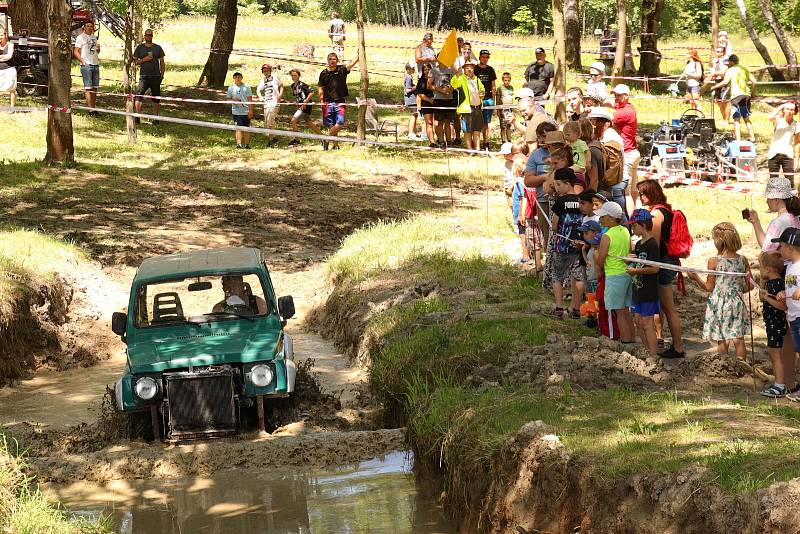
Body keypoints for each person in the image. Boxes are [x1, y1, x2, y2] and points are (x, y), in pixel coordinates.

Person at [687, 222, 752, 360]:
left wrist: (695, 278)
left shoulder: (714, 261)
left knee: (722, 339)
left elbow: (709, 287)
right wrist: (736, 292)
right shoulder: (742, 260)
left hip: (720, 304)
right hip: (737, 303)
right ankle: (743, 366)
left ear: (719, 242)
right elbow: (750, 285)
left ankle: (725, 365)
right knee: (739, 339)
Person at [635, 179, 685, 358]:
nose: (639, 197)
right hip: (670, 260)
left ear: (650, 193)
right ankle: (662, 338)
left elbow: (652, 243)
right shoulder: (666, 209)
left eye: (641, 193)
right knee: (664, 307)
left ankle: (677, 347)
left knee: (668, 307)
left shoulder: (656, 214)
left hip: (663, 262)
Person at [595, 201, 635, 343]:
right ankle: (631, 339)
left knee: (619, 313)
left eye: (603, 217)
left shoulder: (607, 235)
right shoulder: (625, 230)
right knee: (625, 310)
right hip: (626, 273)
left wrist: (598, 261)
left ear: (611, 218)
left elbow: (601, 259)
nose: (601, 219)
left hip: (613, 275)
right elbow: (631, 250)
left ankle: (625, 341)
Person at [550, 167, 585, 318]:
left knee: (557, 275)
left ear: (566, 184)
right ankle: (576, 309)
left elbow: (554, 224)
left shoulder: (560, 201)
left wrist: (556, 230)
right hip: (579, 244)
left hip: (562, 244)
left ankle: (559, 307)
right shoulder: (581, 201)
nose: (556, 188)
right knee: (578, 275)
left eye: (558, 185)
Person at [626, 209, 661, 356]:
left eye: (634, 226)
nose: (632, 229)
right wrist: (631, 258)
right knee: (638, 322)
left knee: (647, 324)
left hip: (648, 291)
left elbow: (654, 268)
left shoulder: (652, 244)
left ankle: (653, 355)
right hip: (638, 289)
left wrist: (636, 271)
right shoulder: (640, 244)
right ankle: (648, 351)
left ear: (643, 225)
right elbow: (641, 260)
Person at [758, 251, 791, 397]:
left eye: (761, 267)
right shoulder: (770, 283)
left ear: (768, 269)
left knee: (774, 353)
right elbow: (761, 298)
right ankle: (779, 383)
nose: (759, 270)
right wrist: (762, 283)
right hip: (771, 323)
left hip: (776, 324)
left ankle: (780, 385)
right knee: (773, 353)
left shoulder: (778, 284)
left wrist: (768, 298)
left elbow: (783, 306)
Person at [776, 227, 800, 402]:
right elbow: (792, 286)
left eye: (781, 246)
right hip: (793, 316)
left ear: (789, 247)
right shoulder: (790, 266)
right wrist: (784, 292)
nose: (779, 250)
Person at [709, 54, 756, 142]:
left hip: (736, 96)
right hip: (746, 95)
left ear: (731, 62)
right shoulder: (744, 69)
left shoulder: (730, 70)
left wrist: (714, 87)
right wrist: (753, 93)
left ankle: (738, 140)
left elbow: (725, 82)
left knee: (736, 119)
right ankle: (752, 138)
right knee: (746, 117)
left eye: (729, 62)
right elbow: (754, 82)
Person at [318, 52, 359, 150]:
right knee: (331, 125)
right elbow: (320, 87)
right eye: (330, 59)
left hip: (339, 101)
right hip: (327, 102)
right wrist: (321, 100)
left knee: (340, 122)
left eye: (334, 59)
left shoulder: (342, 69)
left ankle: (326, 139)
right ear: (327, 61)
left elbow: (353, 63)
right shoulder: (323, 73)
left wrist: (359, 53)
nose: (332, 61)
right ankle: (335, 145)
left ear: (337, 60)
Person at [588, 106, 625, 212]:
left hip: (614, 182)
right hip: (614, 181)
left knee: (617, 214)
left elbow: (611, 162)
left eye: (596, 122)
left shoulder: (609, 137)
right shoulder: (605, 136)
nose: (593, 125)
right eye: (592, 121)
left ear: (607, 123)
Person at [610, 84, 638, 215]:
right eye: (614, 95)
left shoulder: (626, 112)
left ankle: (631, 221)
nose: (615, 98)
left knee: (625, 192)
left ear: (626, 96)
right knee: (633, 190)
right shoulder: (628, 108)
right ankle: (638, 217)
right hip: (632, 152)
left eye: (619, 95)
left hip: (626, 154)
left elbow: (610, 117)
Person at [132, 28, 165, 124]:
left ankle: (155, 118)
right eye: (147, 35)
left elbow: (162, 62)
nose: (148, 37)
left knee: (156, 98)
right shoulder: (140, 48)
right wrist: (145, 59)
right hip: (144, 76)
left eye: (150, 35)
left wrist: (162, 74)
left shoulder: (158, 48)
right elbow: (135, 62)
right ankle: (137, 117)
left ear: (152, 36)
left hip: (155, 76)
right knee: (139, 96)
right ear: (144, 36)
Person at [450, 61, 485, 151]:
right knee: (467, 130)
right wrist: (457, 74)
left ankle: (477, 149)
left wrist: (482, 93)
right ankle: (469, 149)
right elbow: (453, 84)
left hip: (477, 107)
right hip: (466, 109)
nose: (469, 70)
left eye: (471, 68)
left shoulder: (476, 79)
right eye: (467, 68)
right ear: (464, 69)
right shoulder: (461, 78)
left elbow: (482, 89)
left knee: (477, 130)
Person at [766, 102, 800, 185]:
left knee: (790, 180)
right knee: (773, 180)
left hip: (788, 154)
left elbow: (797, 143)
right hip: (774, 153)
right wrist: (781, 106)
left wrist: (796, 159)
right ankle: (774, 197)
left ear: (795, 112)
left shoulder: (797, 125)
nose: (789, 111)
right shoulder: (778, 120)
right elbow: (770, 117)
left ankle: (790, 197)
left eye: (791, 109)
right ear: (783, 110)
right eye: (787, 108)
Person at [288, 69, 322, 146]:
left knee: (293, 120)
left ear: (299, 76)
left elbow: (312, 92)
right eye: (292, 75)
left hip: (306, 106)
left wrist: (305, 102)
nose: (293, 77)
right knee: (308, 122)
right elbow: (297, 96)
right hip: (300, 106)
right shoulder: (293, 86)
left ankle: (297, 139)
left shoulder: (303, 85)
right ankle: (322, 136)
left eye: (295, 75)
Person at [74, 20, 101, 117]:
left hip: (95, 64)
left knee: (95, 88)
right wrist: (82, 61)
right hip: (87, 65)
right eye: (88, 26)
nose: (90, 27)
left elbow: (97, 51)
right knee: (88, 88)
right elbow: (76, 51)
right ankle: (90, 111)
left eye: (91, 26)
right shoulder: (80, 37)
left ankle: (93, 108)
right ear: (84, 27)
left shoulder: (94, 37)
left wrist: (98, 49)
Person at [429, 60, 455, 146]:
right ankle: (441, 141)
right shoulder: (433, 70)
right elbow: (429, 85)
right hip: (439, 99)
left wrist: (451, 89)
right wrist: (440, 90)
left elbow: (455, 83)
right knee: (439, 122)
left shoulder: (451, 70)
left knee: (448, 121)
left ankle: (449, 141)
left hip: (449, 99)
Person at [474, 50, 497, 149]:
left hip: (488, 98)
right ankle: (476, 142)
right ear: (479, 57)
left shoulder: (491, 69)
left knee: (486, 122)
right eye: (483, 57)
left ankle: (486, 142)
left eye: (487, 57)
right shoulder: (475, 69)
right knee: (476, 122)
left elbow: (493, 86)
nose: (485, 59)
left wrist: (494, 101)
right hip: (476, 99)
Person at [257, 63, 283, 147]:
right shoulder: (262, 80)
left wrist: (280, 96)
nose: (266, 72)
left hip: (274, 102)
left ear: (270, 71)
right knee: (267, 122)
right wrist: (260, 97)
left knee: (271, 120)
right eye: (264, 71)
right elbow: (258, 90)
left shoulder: (275, 77)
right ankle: (273, 138)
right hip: (266, 103)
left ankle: (272, 140)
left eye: (267, 70)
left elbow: (282, 86)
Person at [226, 72, 254, 149]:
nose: (237, 78)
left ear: (242, 78)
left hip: (246, 111)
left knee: (247, 128)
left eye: (239, 77)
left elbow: (250, 100)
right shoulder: (231, 88)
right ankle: (239, 144)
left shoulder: (247, 87)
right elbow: (228, 99)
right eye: (236, 77)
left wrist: (251, 110)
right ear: (233, 78)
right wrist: (233, 100)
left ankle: (247, 145)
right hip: (236, 111)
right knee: (238, 127)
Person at [416, 63, 436, 147]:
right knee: (429, 123)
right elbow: (420, 93)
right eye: (425, 70)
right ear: (423, 71)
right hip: (426, 103)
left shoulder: (435, 79)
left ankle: (439, 140)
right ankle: (432, 142)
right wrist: (429, 100)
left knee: (437, 123)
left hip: (437, 103)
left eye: (429, 69)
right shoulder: (421, 81)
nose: (427, 71)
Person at [709, 46, 730, 122]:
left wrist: (713, 73)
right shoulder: (715, 61)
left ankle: (727, 120)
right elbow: (714, 71)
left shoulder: (725, 60)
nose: (716, 53)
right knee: (718, 101)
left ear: (722, 53)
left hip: (724, 82)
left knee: (725, 101)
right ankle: (724, 117)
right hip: (717, 81)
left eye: (718, 51)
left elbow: (723, 72)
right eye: (716, 51)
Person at [0, 31, 17, 109]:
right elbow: (5, 56)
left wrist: (2, 57)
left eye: (1, 35)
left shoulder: (10, 44)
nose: (0, 37)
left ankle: (12, 108)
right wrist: (4, 57)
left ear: (5, 35)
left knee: (12, 89)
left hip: (9, 69)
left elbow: (9, 56)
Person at [403, 63, 419, 140]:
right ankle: (410, 133)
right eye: (412, 68)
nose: (414, 69)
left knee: (415, 115)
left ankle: (415, 132)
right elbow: (407, 90)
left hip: (411, 99)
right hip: (411, 99)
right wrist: (415, 87)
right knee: (414, 115)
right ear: (408, 69)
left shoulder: (409, 77)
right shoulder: (409, 77)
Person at [497, 72, 514, 143]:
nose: (507, 82)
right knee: (503, 126)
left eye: (508, 80)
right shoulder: (500, 88)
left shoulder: (511, 88)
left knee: (509, 125)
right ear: (502, 80)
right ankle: (504, 141)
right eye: (505, 80)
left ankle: (509, 140)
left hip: (510, 109)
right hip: (503, 110)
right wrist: (498, 109)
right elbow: (498, 99)